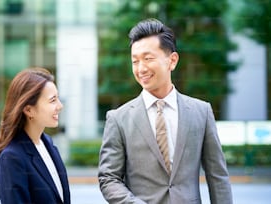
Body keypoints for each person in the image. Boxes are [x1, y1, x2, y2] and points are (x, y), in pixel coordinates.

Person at [98, 18, 233, 204]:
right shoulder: (118, 118)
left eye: (148, 58)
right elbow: (108, 178)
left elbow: (217, 176)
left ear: (172, 61)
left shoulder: (201, 112)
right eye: (135, 61)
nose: (141, 68)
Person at [0, 67, 71, 204]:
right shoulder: (12, 158)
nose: (60, 106)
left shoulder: (48, 144)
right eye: (53, 100)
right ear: (28, 110)